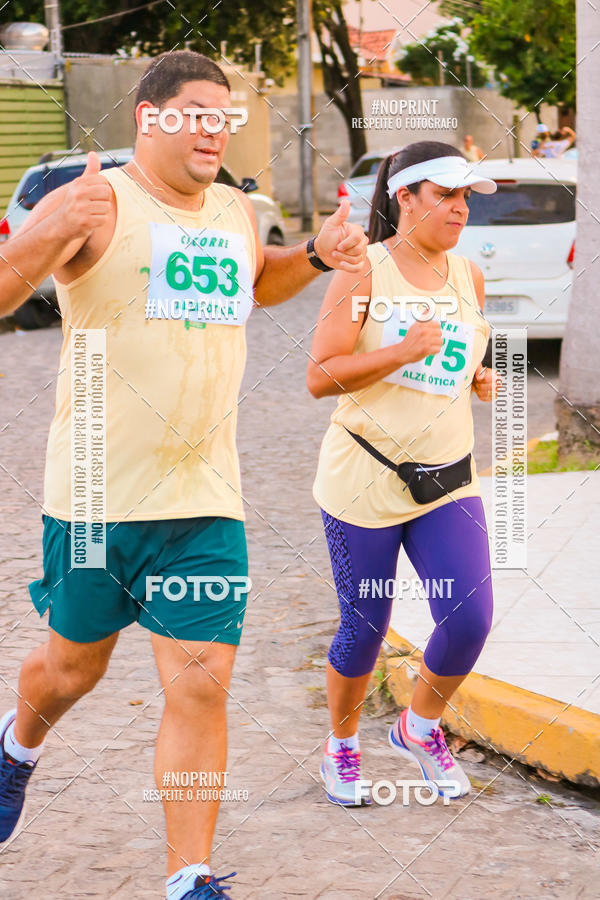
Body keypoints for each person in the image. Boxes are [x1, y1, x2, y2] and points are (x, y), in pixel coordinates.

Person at [0, 51, 367, 898]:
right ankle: (17, 747)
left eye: (224, 114)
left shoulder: (236, 210)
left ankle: (188, 877)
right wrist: (48, 233)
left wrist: (313, 256)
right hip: (94, 495)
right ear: (149, 117)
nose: (214, 127)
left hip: (204, 499)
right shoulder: (97, 202)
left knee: (202, 681)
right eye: (196, 111)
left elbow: (257, 279)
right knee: (71, 670)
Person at [307, 141, 502, 807]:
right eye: (446, 195)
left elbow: (463, 344)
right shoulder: (365, 272)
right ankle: (341, 744)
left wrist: (475, 374)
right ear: (406, 198)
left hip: (447, 478)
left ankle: (420, 728)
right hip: (365, 477)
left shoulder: (468, 275)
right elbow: (320, 375)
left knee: (470, 617)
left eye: (466, 197)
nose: (460, 208)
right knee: (364, 623)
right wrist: (401, 352)